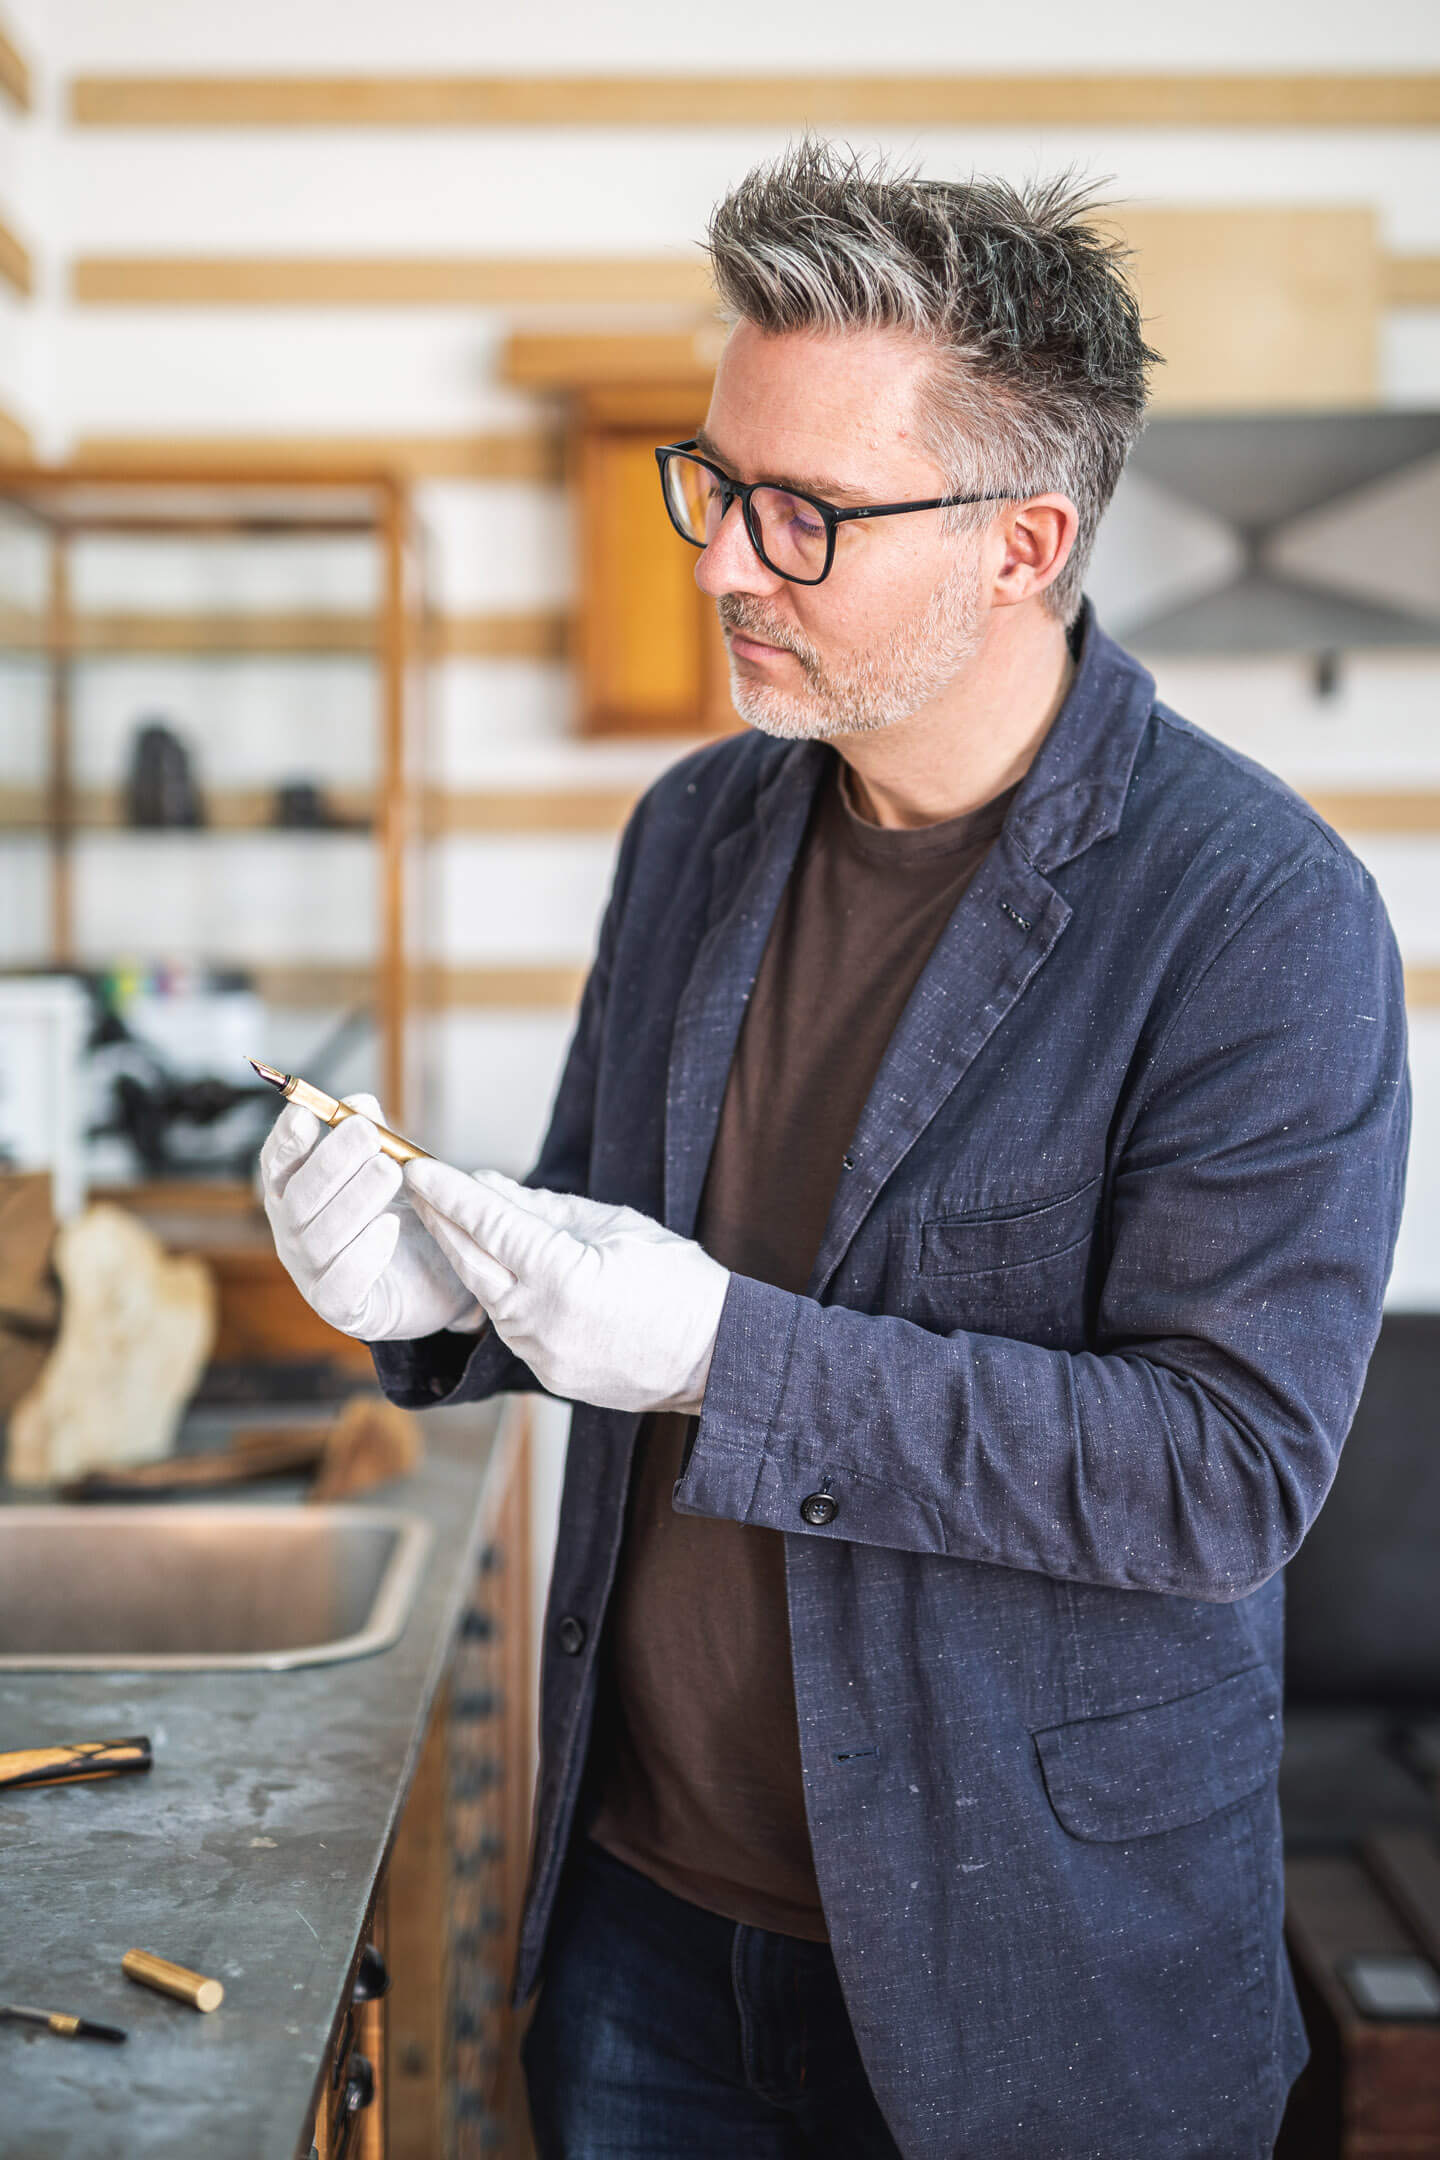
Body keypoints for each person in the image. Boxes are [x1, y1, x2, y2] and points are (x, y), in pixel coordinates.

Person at [260, 142, 1410, 2160]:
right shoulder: (695, 830)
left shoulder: (1258, 921)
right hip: (640, 1932)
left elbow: (1218, 1479)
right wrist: (428, 1294)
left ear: (1025, 540)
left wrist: (727, 1352)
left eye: (808, 517)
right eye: (717, 485)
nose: (721, 561)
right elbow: (601, 1263)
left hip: (1039, 1985)